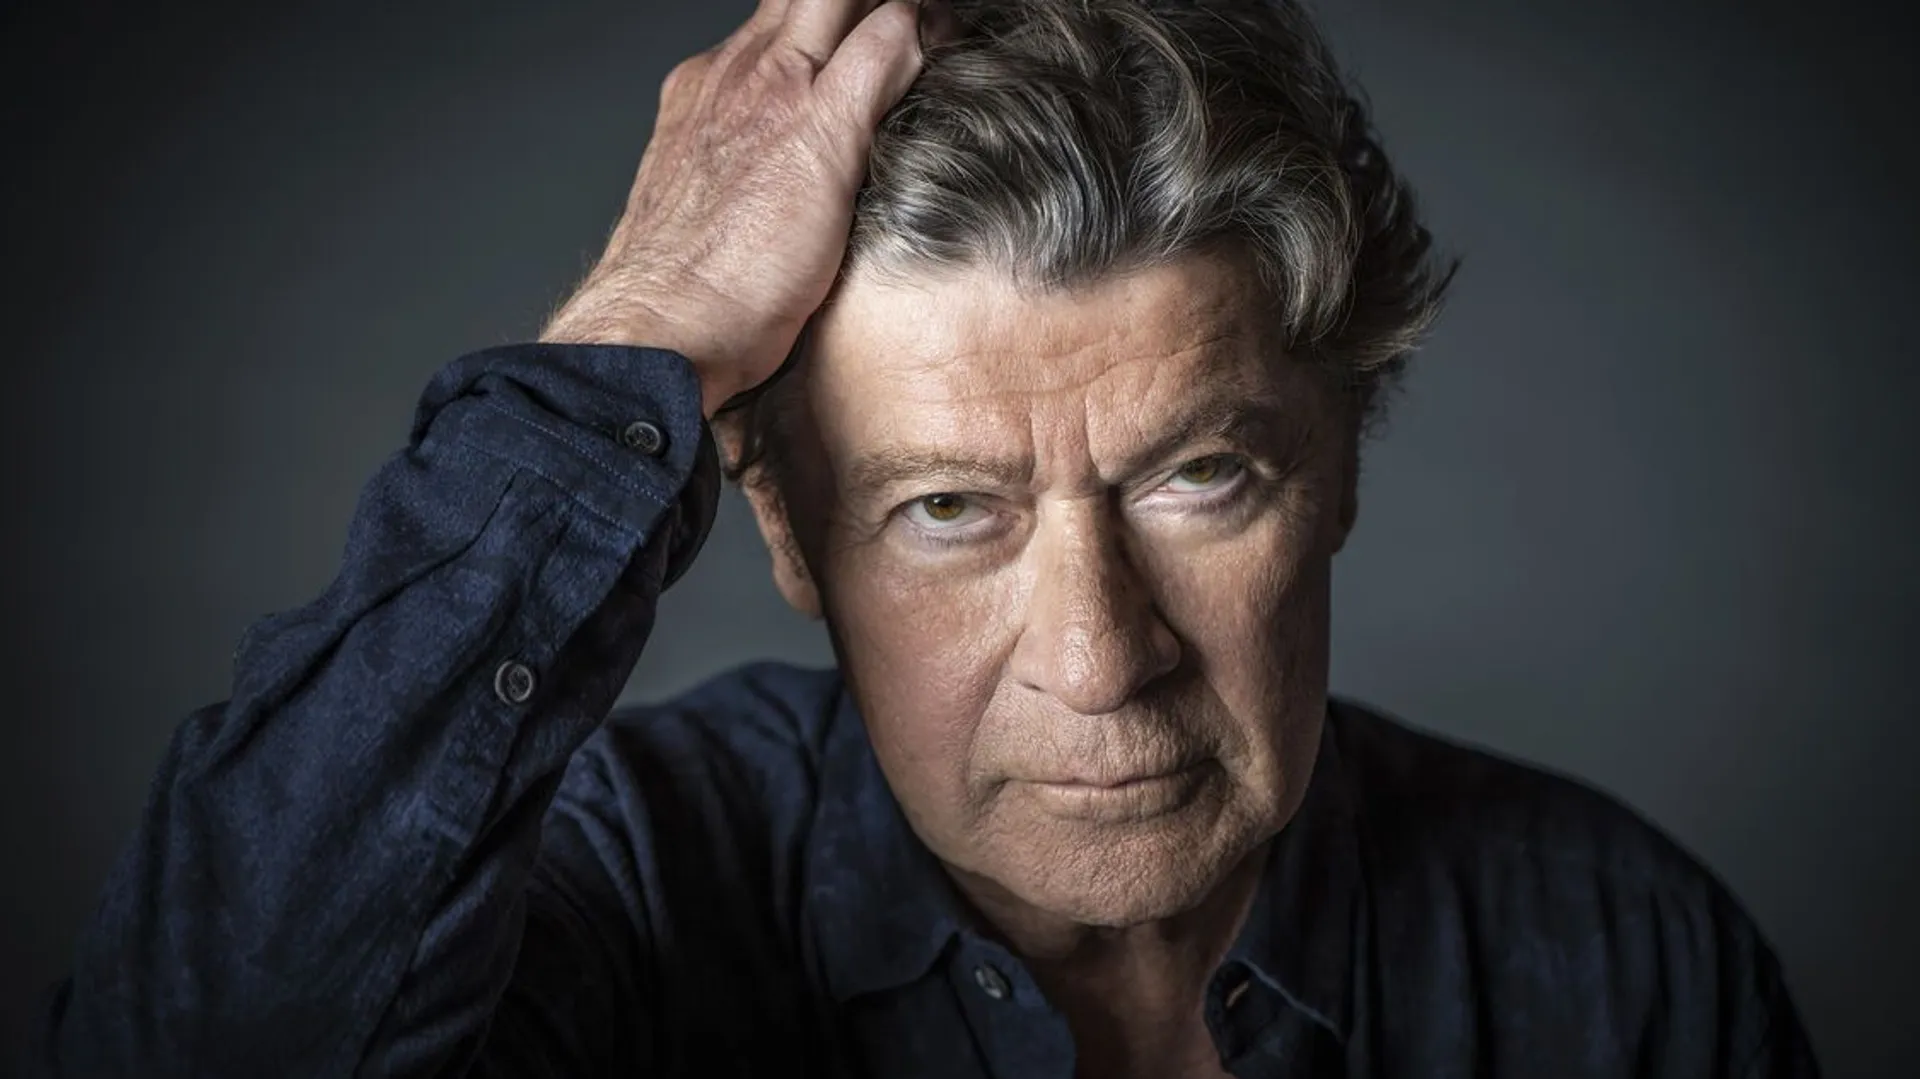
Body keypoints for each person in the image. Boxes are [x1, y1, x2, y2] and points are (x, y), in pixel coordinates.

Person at [32, 0, 1820, 1075]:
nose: (1098, 659)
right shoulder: (621, 907)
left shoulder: (1624, 962)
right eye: (948, 509)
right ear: (792, 532)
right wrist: (632, 336)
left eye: (1201, 477)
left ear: (1340, 468)